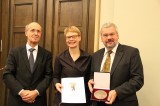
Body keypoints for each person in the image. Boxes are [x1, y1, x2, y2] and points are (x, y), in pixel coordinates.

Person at [88, 22, 144, 106]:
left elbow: (138, 79)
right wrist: (91, 80)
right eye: (105, 35)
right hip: (99, 103)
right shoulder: (96, 55)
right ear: (101, 38)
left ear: (117, 35)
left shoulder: (131, 53)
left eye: (112, 34)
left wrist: (117, 92)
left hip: (123, 102)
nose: (109, 37)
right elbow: (92, 74)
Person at [3, 22, 53, 106]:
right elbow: (7, 74)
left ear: (41, 34)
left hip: (38, 101)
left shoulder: (47, 54)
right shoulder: (14, 52)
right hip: (17, 100)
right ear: (26, 33)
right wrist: (21, 92)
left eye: (38, 31)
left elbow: (48, 76)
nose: (36, 33)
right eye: (32, 30)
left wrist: (36, 92)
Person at [53, 26, 91, 106]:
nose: (71, 39)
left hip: (82, 100)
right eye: (68, 37)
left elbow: (90, 77)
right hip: (65, 99)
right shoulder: (60, 57)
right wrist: (56, 84)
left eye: (74, 36)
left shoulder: (88, 57)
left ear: (79, 38)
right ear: (66, 39)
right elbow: (55, 76)